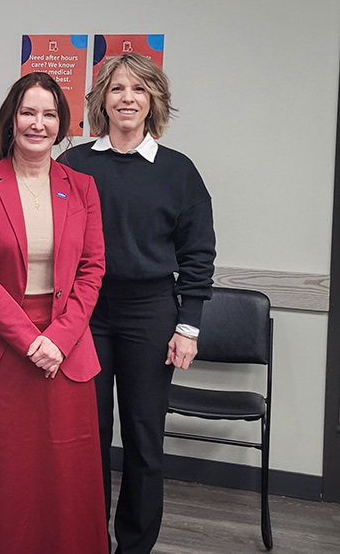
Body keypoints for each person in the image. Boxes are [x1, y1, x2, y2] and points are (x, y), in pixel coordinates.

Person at [58, 52, 216, 554]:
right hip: (86, 313)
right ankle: (88, 541)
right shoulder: (74, 165)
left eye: (139, 89)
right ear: (102, 99)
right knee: (88, 438)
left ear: (154, 101)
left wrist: (188, 327)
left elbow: (198, 254)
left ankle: (134, 547)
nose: (128, 98)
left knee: (145, 441)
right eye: (117, 88)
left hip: (151, 313)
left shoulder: (178, 171)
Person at [0, 72, 108, 554]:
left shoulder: (83, 187)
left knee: (65, 473)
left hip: (66, 347)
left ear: (62, 124)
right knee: (1, 470)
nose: (38, 124)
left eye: (49, 114)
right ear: (11, 120)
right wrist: (29, 339)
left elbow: (92, 269)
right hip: (1, 348)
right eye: (28, 112)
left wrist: (58, 338)